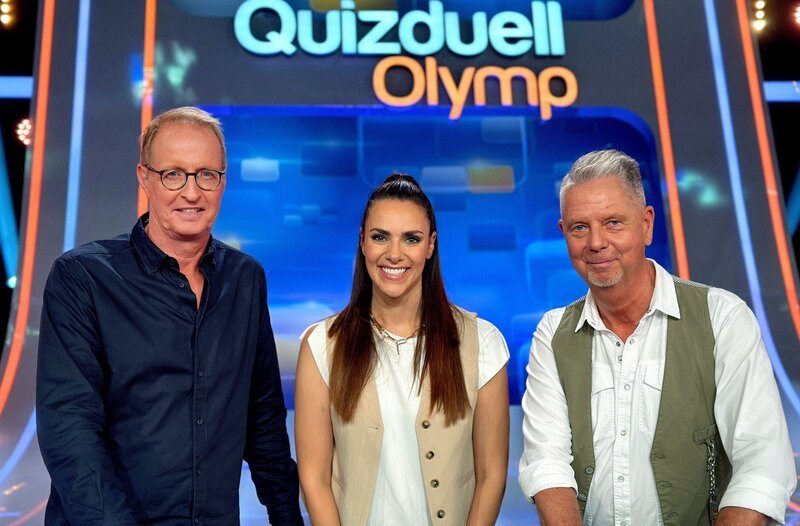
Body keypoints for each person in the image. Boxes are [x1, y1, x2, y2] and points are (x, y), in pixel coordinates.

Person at [36, 107, 302, 525]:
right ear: (145, 177)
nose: (191, 193)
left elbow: (262, 416)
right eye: (173, 174)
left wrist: (287, 517)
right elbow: (70, 433)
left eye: (206, 175)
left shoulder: (245, 280)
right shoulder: (83, 277)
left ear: (223, 182)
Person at [519, 149, 796, 525]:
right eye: (579, 227)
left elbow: (761, 463)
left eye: (614, 222)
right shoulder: (552, 334)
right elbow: (546, 463)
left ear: (646, 224)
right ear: (564, 234)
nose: (596, 242)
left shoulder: (723, 318)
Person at [295, 174, 510, 525]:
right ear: (362, 241)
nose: (394, 254)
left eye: (411, 239)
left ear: (431, 246)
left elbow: (491, 477)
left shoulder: (483, 343)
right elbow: (314, 480)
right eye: (380, 237)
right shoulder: (321, 345)